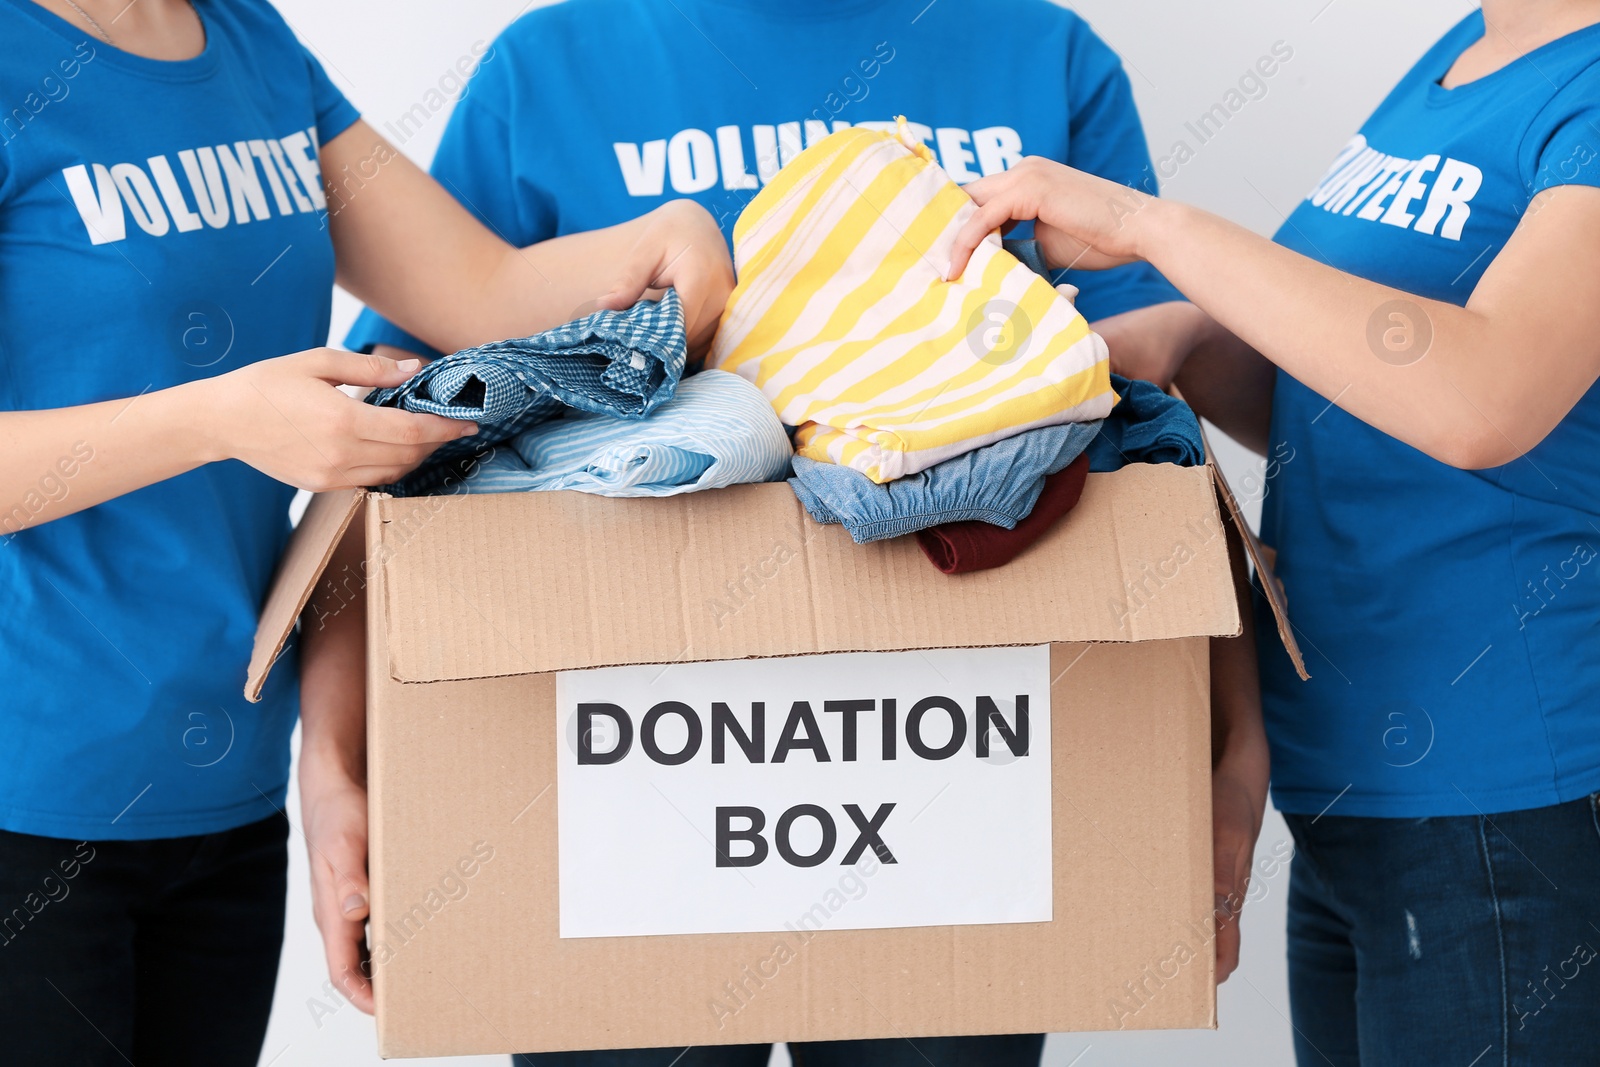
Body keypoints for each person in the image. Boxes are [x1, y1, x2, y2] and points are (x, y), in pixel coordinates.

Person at [325, 1, 1268, 1064]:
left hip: (949, 782)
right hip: (617, 800)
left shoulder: (1040, 55)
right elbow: (391, 444)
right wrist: (335, 759)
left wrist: (1232, 736)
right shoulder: (549, 68)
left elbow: (1151, 447)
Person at [0, 0, 731, 1063]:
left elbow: (481, 291)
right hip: (27, 800)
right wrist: (215, 419)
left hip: (226, 788)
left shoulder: (246, 40)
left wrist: (662, 234)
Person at [945, 2, 1600, 1063]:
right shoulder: (1467, 52)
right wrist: (1160, 346)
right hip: (1353, 793)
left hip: (1504, 799)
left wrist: (1152, 230)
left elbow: (1487, 396)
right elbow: (1344, 395)